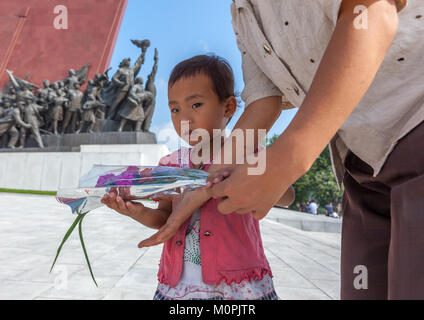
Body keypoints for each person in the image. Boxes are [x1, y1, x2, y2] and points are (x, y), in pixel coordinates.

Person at [198, 0, 424, 300]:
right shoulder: (241, 13)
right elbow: (263, 102)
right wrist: (205, 181)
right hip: (360, 168)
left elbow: (373, 13)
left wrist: (286, 160)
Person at [101, 55, 296, 300]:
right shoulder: (171, 164)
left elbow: (287, 197)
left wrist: (259, 175)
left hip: (237, 286)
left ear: (228, 107)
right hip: (178, 288)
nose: (184, 119)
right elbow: (166, 219)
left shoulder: (248, 153)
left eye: (195, 105)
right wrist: (136, 212)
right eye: (174, 109)